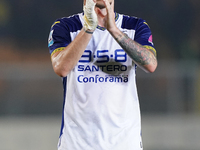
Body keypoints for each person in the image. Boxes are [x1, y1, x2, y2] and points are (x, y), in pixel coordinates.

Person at [48, 0, 157, 149]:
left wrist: (114, 30)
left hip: (124, 142)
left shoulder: (134, 26)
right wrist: (88, 28)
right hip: (77, 143)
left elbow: (150, 64)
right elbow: (61, 68)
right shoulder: (65, 26)